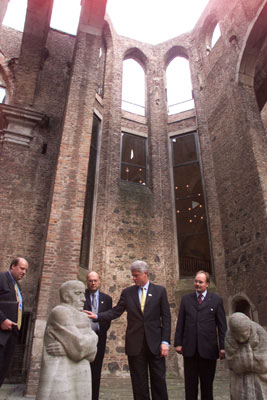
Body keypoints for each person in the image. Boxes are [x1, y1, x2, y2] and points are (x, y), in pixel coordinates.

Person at [85, 260, 171, 400]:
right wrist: (97, 316)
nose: (133, 278)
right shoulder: (127, 293)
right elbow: (116, 312)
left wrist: (165, 341)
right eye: (132, 275)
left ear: (145, 274)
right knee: (139, 383)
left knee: (159, 381)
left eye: (136, 275)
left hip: (155, 344)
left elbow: (166, 319)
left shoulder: (159, 291)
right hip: (135, 345)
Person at [36, 280, 98, 400]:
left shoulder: (83, 316)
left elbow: (93, 345)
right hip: (62, 375)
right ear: (66, 296)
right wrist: (74, 347)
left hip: (78, 375)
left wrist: (66, 347)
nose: (84, 299)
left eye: (83, 294)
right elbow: (78, 346)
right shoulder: (60, 312)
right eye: (78, 293)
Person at [174, 270, 227, 400]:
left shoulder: (216, 300)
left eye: (200, 282)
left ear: (207, 284)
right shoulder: (186, 299)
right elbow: (181, 322)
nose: (197, 284)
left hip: (208, 350)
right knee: (190, 386)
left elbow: (222, 326)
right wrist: (178, 343)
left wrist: (223, 347)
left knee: (207, 386)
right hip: (190, 349)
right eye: (196, 281)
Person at [83, 271, 112, 400]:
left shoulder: (107, 299)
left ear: (99, 281)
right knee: (83, 368)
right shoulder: (81, 296)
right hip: (83, 339)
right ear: (87, 281)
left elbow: (108, 319)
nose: (93, 283)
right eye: (90, 280)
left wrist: (100, 330)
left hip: (99, 339)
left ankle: (94, 397)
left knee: (96, 369)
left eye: (95, 280)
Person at [0, 257, 29, 386]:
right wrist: (2, 319)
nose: (24, 272)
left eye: (26, 270)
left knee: (3, 371)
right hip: (1, 333)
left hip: (11, 334)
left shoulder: (17, 286)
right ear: (13, 266)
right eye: (22, 268)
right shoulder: (2, 278)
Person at [225, 312, 267, 400]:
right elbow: (232, 364)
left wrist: (243, 360)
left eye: (243, 334)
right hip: (239, 379)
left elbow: (263, 364)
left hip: (260, 377)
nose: (240, 339)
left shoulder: (260, 333)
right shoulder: (229, 337)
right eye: (238, 335)